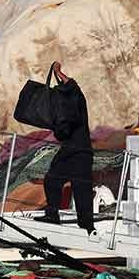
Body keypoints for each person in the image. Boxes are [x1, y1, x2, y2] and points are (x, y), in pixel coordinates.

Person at [40, 62, 96, 235]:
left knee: (81, 189)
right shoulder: (64, 111)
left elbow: (72, 84)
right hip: (70, 151)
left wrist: (57, 72)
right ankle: (53, 215)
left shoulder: (77, 99)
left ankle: (87, 226)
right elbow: (62, 133)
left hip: (81, 151)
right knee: (52, 180)